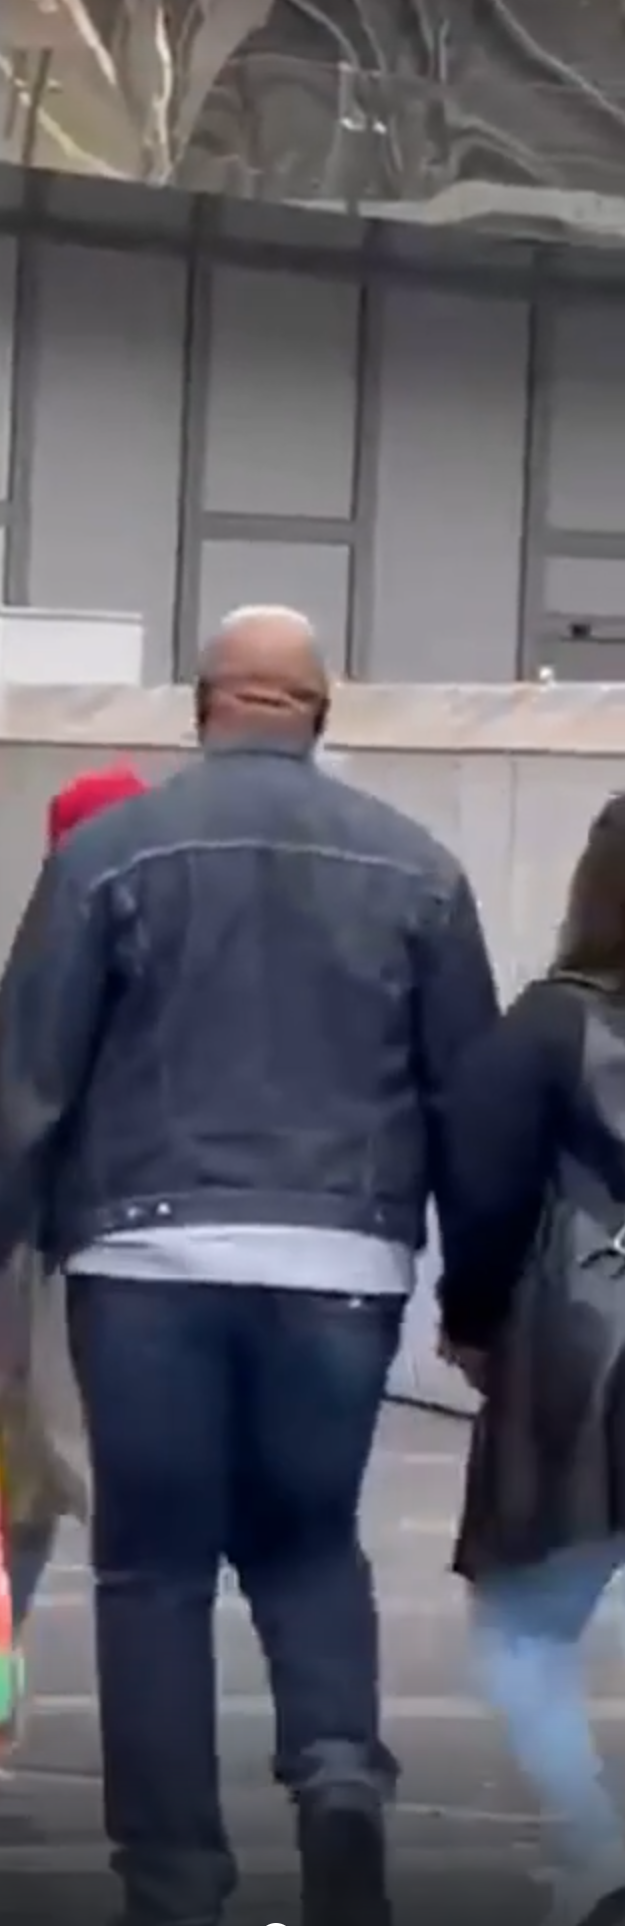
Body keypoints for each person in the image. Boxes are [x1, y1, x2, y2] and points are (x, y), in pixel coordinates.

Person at [0, 605, 498, 1926]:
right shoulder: (419, 869)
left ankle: (175, 1879)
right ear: (321, 711)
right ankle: (338, 1775)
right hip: (342, 1262)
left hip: (145, 1262)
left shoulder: (107, 858)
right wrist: (476, 1301)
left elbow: (25, 1082)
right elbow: (469, 1102)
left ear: (200, 707)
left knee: (154, 1569)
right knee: (310, 1542)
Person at [435, 791, 625, 1926]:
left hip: (580, 1362)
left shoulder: (551, 1029)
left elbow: (486, 1189)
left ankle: (599, 1852)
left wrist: (470, 1321)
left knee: (523, 1629)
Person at [0, 759, 150, 1632]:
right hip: (152, 1240)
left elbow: (10, 1108)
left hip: (51, 1241)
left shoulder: (54, 948)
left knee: (25, 1463)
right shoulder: (185, 944)